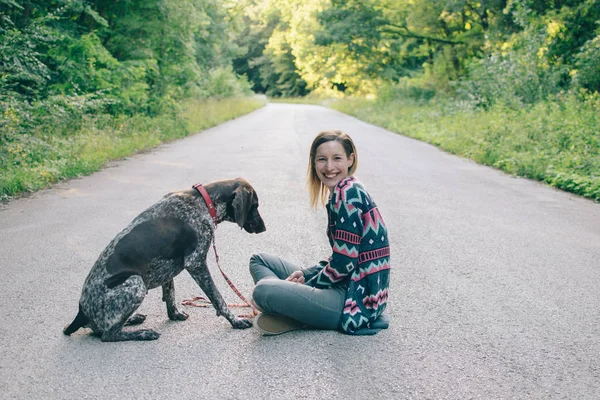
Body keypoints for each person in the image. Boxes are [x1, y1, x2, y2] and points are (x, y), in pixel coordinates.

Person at [249, 130, 390, 335]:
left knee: (262, 291)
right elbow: (340, 256)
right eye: (322, 159)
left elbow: (344, 263)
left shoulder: (348, 195)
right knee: (259, 260)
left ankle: (296, 312)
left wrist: (310, 283)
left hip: (352, 300)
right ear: (314, 163)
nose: (329, 167)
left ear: (350, 159)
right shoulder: (343, 191)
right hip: (341, 285)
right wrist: (305, 275)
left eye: (337, 158)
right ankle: (295, 311)